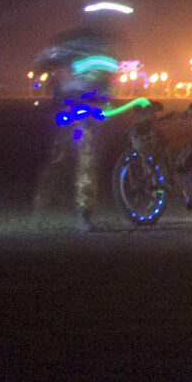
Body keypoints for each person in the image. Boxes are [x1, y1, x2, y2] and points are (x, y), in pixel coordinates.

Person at [32, 25, 124, 231]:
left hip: (82, 109)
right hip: (73, 107)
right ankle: (51, 208)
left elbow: (106, 84)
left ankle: (74, 212)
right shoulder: (86, 54)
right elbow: (45, 66)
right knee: (70, 159)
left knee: (78, 158)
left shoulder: (81, 54)